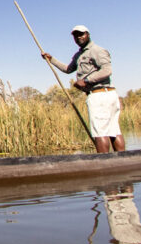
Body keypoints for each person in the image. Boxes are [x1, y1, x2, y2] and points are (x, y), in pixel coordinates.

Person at [41, 25, 125, 153]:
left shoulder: (97, 50)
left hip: (100, 95)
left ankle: (103, 164)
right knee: (113, 130)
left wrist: (86, 81)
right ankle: (122, 160)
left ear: (88, 34)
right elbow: (68, 69)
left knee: (100, 131)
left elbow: (107, 70)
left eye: (81, 34)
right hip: (103, 95)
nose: (78, 37)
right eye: (75, 35)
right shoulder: (79, 55)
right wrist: (51, 59)